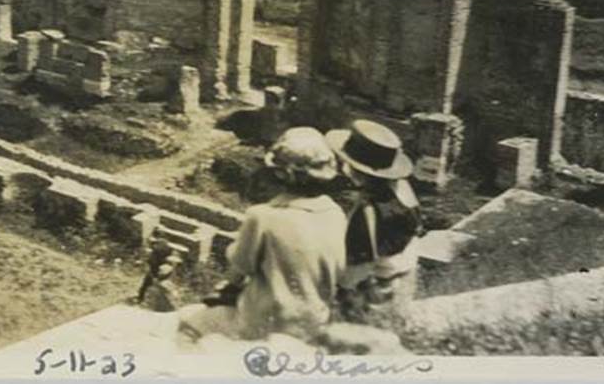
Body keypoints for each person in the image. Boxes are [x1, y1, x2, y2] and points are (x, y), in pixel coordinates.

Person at [178, 127, 347, 342]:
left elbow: (239, 269)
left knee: (189, 326)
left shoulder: (262, 216)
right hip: (314, 322)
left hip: (265, 322)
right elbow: (339, 271)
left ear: (279, 174)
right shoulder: (336, 215)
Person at [326, 119, 424, 331]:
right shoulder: (403, 189)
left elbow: (355, 270)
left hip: (375, 293)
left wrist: (335, 286)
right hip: (405, 279)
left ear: (356, 170)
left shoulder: (368, 211)